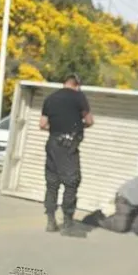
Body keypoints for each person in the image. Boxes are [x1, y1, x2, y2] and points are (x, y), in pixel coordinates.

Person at [39, 72, 93, 233]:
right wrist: (77, 128)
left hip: (52, 144)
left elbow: (42, 124)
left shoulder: (50, 99)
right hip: (68, 146)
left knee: (52, 183)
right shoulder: (78, 97)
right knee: (71, 182)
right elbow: (89, 120)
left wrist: (57, 128)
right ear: (77, 84)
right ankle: (68, 221)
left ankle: (50, 220)